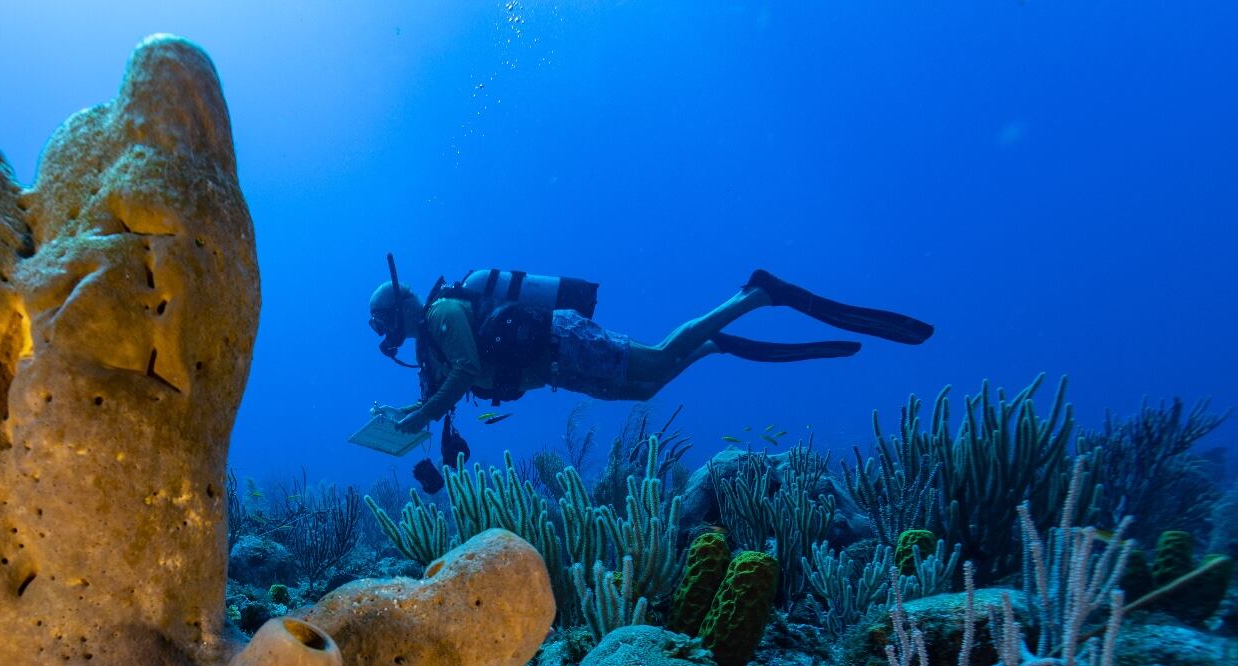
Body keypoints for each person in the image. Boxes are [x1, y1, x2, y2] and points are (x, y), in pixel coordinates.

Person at [369, 267, 933, 435]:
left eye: (382, 323)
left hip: (564, 342)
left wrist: (419, 413)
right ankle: (712, 344)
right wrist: (401, 416)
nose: (384, 335)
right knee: (645, 387)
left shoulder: (443, 316)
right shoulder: (429, 347)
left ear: (399, 310)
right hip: (561, 365)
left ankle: (756, 295)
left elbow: (468, 369)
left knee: (660, 359)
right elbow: (440, 393)